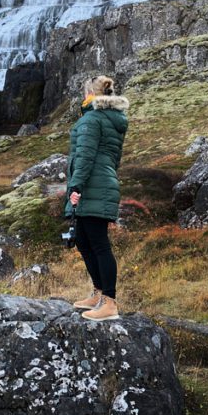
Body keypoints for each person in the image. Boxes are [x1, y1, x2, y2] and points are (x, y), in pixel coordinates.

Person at [65, 74, 128, 321]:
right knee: (83, 239)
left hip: (92, 184)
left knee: (98, 243)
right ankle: (99, 293)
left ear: (91, 95)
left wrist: (76, 186)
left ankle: (109, 303)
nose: (83, 97)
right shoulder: (112, 119)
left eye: (84, 93)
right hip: (102, 181)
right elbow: (113, 158)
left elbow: (85, 155)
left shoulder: (92, 119)